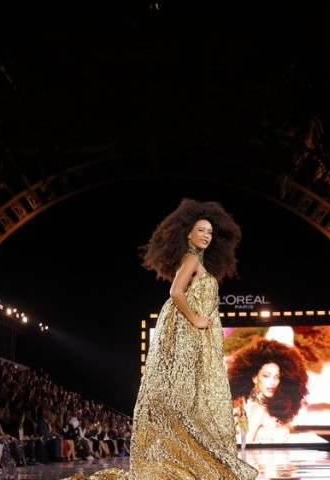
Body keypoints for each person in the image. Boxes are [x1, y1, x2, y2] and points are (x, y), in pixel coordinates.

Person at [89, 198, 257, 480]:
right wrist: (196, 320)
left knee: (195, 397)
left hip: (197, 336)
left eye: (210, 232)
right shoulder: (190, 258)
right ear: (187, 233)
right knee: (184, 395)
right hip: (188, 332)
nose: (205, 235)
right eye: (200, 230)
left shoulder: (200, 261)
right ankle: (180, 457)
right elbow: (175, 292)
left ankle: (186, 456)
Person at [227, 337, 309, 444]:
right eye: (266, 376)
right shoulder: (257, 410)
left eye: (277, 377)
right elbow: (242, 449)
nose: (272, 382)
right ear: (254, 377)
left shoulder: (259, 407)